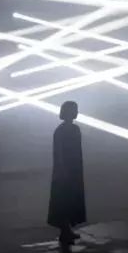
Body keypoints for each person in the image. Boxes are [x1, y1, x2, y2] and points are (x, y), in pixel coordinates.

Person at [48, 100, 86, 244]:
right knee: (64, 199)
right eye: (75, 110)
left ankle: (66, 229)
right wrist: (62, 169)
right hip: (67, 170)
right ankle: (65, 229)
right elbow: (59, 152)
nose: (77, 112)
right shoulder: (64, 131)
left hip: (72, 169)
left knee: (68, 199)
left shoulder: (67, 130)